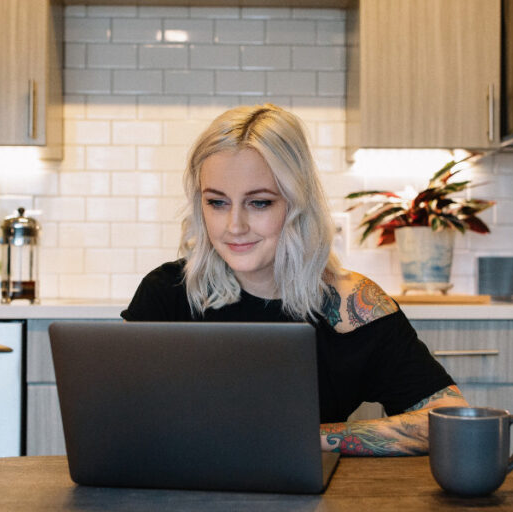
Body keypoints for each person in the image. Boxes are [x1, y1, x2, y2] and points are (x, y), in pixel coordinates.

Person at [121, 104, 468, 456]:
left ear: (297, 203)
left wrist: (304, 438)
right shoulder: (166, 294)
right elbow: (117, 418)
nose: (234, 226)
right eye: (217, 202)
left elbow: (448, 420)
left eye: (259, 203)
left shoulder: (352, 305)